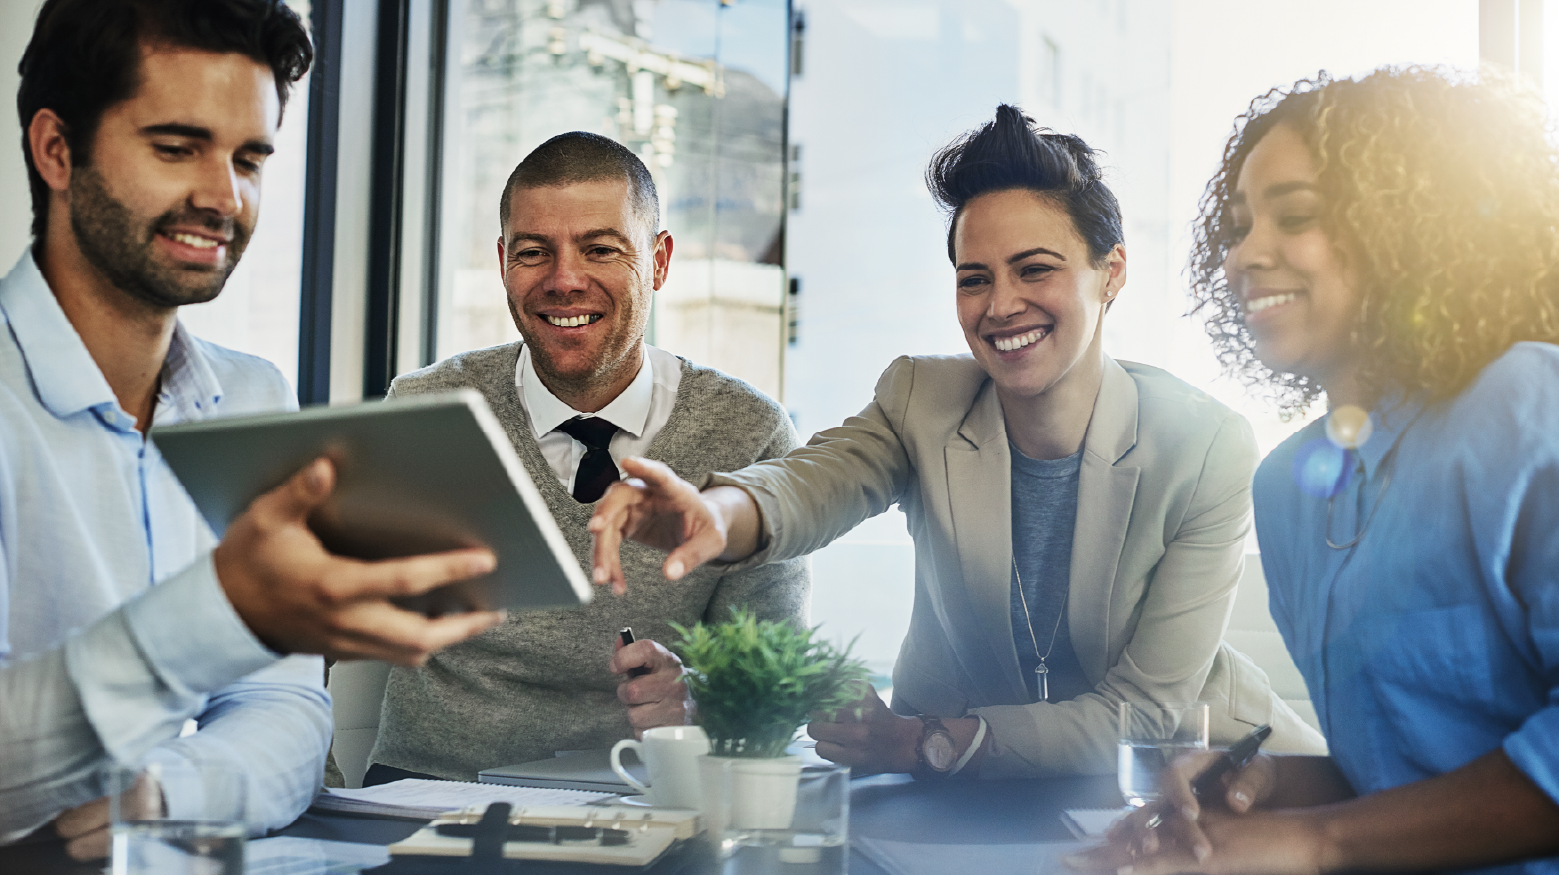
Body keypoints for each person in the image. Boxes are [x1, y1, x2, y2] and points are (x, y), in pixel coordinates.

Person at [589, 105, 1324, 780]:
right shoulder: (923, 399)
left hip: (1206, 782)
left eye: (1034, 268)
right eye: (975, 279)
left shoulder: (1204, 445)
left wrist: (926, 742)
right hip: (967, 796)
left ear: (1111, 274)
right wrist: (718, 514)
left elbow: (1143, 713)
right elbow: (814, 480)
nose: (1000, 305)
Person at [0, 0, 504, 858]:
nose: (221, 196)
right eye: (175, 147)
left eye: (249, 157)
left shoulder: (252, 395)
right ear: (57, 150)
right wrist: (225, 611)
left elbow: (286, 712)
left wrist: (163, 792)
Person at [1070, 67, 1559, 875]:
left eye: (1294, 217)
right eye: (1235, 227)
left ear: (1412, 230)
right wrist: (1265, 781)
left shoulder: (1525, 405)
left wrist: (1313, 838)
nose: (1243, 256)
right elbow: (1409, 768)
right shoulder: (1288, 489)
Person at [361, 131, 810, 784]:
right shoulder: (425, 411)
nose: (564, 281)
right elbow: (315, 629)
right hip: (429, 799)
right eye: (533, 252)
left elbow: (778, 686)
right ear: (502, 261)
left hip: (646, 805)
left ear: (658, 261)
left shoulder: (748, 432)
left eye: (600, 249)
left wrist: (698, 699)